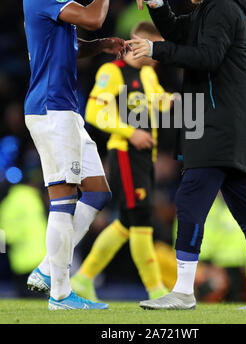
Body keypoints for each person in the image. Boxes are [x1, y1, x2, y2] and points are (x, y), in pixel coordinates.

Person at [127, 0, 246, 310]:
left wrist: (155, 51)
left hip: (220, 126)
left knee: (189, 201)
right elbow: (182, 33)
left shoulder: (223, 8)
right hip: (227, 125)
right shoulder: (215, 8)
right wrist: (158, 6)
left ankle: (184, 291)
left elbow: (206, 57)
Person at [23, 0, 135, 310]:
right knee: (64, 198)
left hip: (64, 111)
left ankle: (45, 269)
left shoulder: (56, 2)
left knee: (99, 192)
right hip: (52, 110)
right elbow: (92, 16)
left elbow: (70, 47)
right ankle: (60, 293)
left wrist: (100, 45)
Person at [70, 21, 170, 301]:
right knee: (141, 220)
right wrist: (131, 133)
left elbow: (160, 101)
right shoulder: (112, 72)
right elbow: (93, 112)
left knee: (127, 224)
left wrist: (179, 100)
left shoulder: (148, 75)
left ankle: (83, 278)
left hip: (145, 157)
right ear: (138, 41)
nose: (157, 53)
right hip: (125, 153)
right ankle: (156, 290)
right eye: (154, 46)